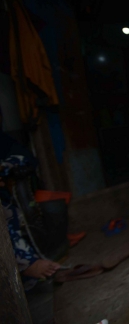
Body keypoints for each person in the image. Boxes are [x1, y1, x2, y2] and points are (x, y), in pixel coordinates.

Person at [0, 108, 61, 291]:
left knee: (13, 213)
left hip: (5, 197)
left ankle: (27, 261)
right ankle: (26, 265)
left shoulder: (3, 140)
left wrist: (5, 166)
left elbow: (28, 159)